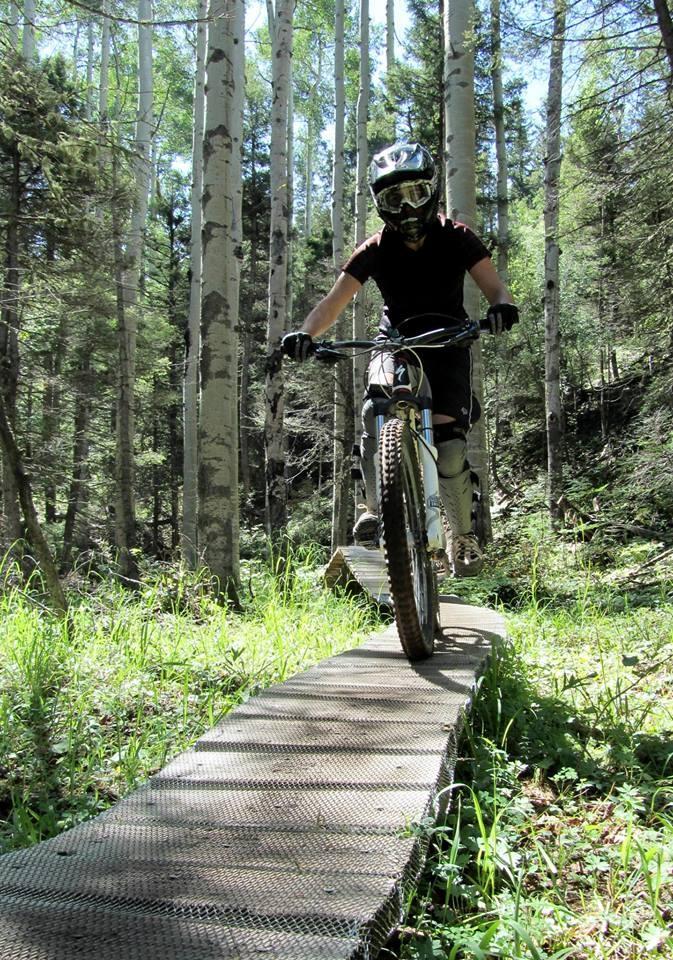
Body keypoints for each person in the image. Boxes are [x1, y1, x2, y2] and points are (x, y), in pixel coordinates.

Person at [281, 142, 518, 577]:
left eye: (416, 193)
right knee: (375, 408)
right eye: (394, 199)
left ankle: (461, 535)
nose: (408, 208)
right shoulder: (375, 248)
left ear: (433, 192)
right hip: (395, 342)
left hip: (448, 341)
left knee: (449, 450)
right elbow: (334, 302)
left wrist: (501, 307)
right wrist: (306, 334)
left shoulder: (457, 237)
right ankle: (372, 507)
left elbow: (494, 286)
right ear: (379, 205)